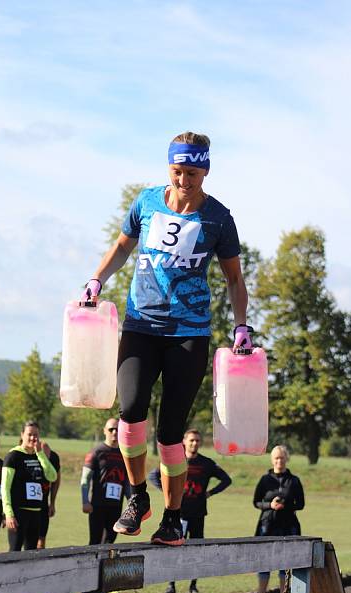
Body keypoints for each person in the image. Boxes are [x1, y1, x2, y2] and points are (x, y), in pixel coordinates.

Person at [82, 131, 250, 547]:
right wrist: (96, 280)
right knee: (131, 413)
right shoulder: (146, 202)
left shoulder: (219, 219)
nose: (183, 180)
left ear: (205, 171)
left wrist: (242, 325)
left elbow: (233, 278)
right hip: (141, 326)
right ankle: (138, 497)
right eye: (177, 171)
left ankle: (173, 519)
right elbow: (122, 247)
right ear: (168, 169)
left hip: (188, 334)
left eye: (192, 172)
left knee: (170, 433)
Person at [148, 429, 232, 593]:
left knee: (197, 550)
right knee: (174, 550)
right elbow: (153, 476)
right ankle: (171, 585)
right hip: (178, 515)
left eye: (197, 441)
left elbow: (227, 480)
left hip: (198, 514)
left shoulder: (206, 463)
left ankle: (193, 586)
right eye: (192, 440)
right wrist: (168, 492)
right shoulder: (175, 461)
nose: (195, 443)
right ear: (184, 441)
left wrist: (210, 492)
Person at [0, 420, 58, 593]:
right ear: (22, 435)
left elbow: (52, 476)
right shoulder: (13, 456)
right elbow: (5, 488)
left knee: (31, 555)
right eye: (30, 434)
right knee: (15, 553)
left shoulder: (40, 455)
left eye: (36, 435)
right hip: (18, 513)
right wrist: (8, 513)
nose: (33, 438)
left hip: (36, 514)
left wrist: (40, 453)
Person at [252, 445, 305, 593]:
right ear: (272, 460)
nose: (279, 461)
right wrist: (270, 505)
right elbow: (256, 502)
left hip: (287, 525)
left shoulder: (294, 481)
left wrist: (286, 505)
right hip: (267, 525)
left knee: (285, 563)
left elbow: (301, 504)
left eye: (282, 458)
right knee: (264, 561)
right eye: (276, 458)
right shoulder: (265, 480)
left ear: (286, 459)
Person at [81, 418, 130, 545]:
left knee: (109, 541)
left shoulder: (125, 454)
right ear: (104, 431)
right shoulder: (96, 452)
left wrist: (130, 503)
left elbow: (127, 482)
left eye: (117, 429)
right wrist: (85, 501)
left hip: (116, 506)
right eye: (111, 429)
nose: (114, 432)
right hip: (97, 505)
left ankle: (105, 565)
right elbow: (85, 479)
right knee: (95, 542)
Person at [37, 448, 61, 550]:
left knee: (41, 543)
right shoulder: (18, 454)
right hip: (23, 507)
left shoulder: (53, 456)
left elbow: (56, 479)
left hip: (43, 505)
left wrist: (52, 503)